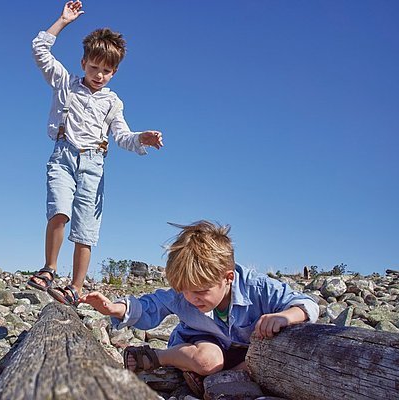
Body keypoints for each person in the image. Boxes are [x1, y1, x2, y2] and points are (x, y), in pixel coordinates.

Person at [27, 1, 164, 306]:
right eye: (94, 68)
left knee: (85, 227)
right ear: (83, 62)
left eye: (106, 71)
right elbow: (39, 50)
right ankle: (49, 268)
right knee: (59, 210)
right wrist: (63, 21)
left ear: (114, 72)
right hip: (63, 156)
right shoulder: (65, 83)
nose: (99, 75)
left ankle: (75, 286)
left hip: (93, 163)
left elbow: (123, 137)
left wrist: (142, 137)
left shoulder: (113, 103)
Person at [81, 220, 319, 395]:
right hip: (201, 342)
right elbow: (150, 306)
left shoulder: (257, 288)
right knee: (208, 361)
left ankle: (214, 379)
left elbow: (308, 304)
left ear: (228, 278)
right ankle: (157, 357)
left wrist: (286, 316)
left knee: (259, 362)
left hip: (244, 350)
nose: (191, 298)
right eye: (184, 290)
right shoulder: (183, 295)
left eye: (200, 291)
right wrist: (115, 309)